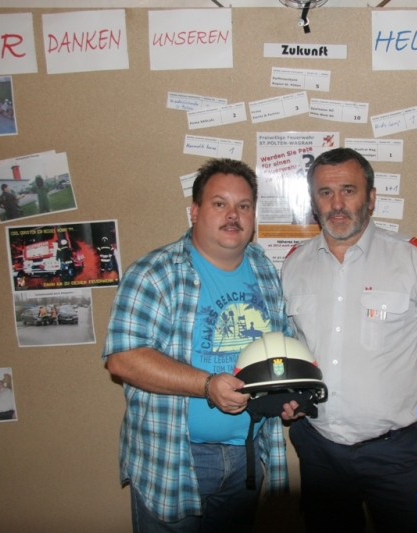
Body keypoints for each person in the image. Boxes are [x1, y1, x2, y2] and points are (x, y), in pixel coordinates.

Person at [280, 148, 417, 532]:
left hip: (395, 451)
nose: (337, 204)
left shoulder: (411, 258)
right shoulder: (294, 264)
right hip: (319, 449)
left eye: (348, 191)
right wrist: (289, 395)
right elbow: (292, 349)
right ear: (313, 202)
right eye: (325, 192)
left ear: (371, 198)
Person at [102, 158, 296, 532]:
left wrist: (288, 393)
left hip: (248, 452)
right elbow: (123, 359)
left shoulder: (264, 269)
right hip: (176, 457)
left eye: (243, 206)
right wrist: (207, 385)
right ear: (194, 211)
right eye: (219, 203)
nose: (233, 215)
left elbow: (280, 344)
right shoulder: (154, 272)